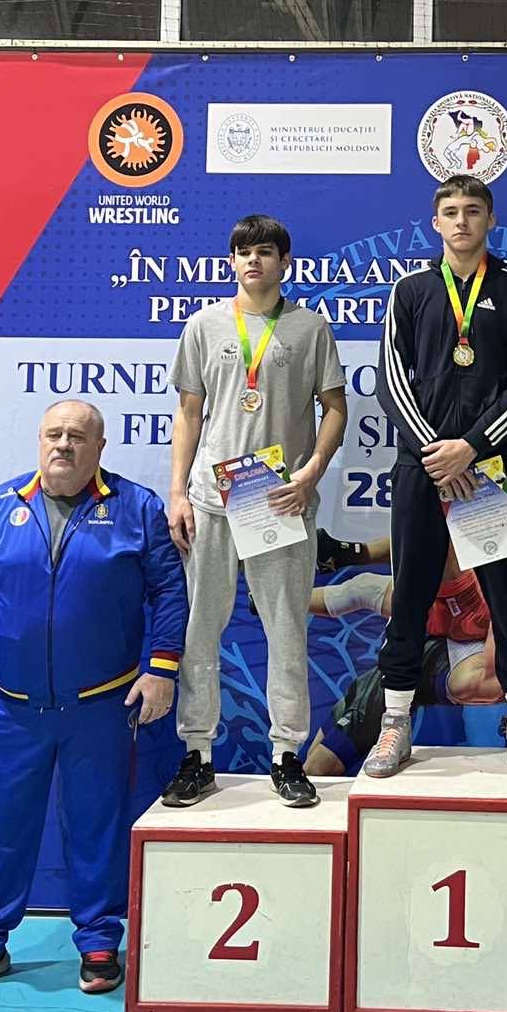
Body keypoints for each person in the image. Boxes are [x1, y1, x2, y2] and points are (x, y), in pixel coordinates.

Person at [0, 401, 186, 1000]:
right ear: (39, 440)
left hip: (101, 707)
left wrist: (162, 668)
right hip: (13, 708)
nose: (63, 444)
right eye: (54, 434)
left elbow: (169, 591)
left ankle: (98, 941)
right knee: (0, 828)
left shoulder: (137, 508)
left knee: (98, 826)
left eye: (77, 436)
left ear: (100, 448)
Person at [364, 174, 507, 780]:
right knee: (410, 598)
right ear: (435, 222)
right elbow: (392, 379)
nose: (462, 220)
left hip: (490, 468)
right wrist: (436, 454)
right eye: (451, 211)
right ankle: (395, 722)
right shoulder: (410, 290)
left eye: (473, 210)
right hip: (422, 469)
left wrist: (470, 448)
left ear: (490, 220)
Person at [161, 214, 347, 810]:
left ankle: (286, 755)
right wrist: (177, 493)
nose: (253, 261)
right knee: (201, 628)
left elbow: (335, 408)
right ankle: (198, 755)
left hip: (278, 499)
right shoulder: (204, 325)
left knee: (286, 628)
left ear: (284, 262)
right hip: (212, 500)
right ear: (232, 261)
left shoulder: (310, 327)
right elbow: (189, 413)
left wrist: (311, 472)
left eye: (265, 252)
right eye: (243, 252)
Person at [305, 561, 507, 776]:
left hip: (381, 696)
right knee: (366, 586)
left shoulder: (496, 682)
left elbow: (503, 614)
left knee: (316, 770)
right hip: (431, 634)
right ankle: (287, 597)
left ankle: (346, 557)